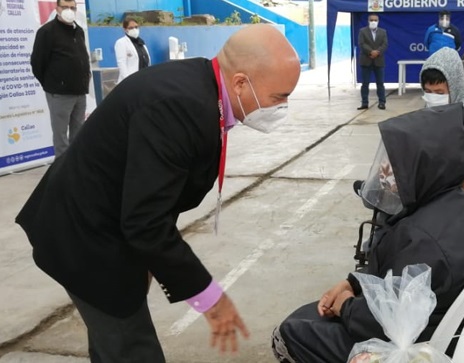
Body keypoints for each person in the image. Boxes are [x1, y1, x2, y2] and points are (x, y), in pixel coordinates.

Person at [16, 24, 301, 361]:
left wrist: (150, 258)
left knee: (115, 346)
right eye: (279, 96)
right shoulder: (181, 106)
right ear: (240, 82)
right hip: (83, 236)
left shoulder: (200, 85)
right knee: (132, 348)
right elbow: (145, 221)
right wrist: (207, 297)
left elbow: (158, 191)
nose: (282, 106)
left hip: (109, 222)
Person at [271, 103, 464, 363]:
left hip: (413, 345)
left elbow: (385, 321)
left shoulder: (420, 237)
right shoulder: (460, 203)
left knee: (290, 331)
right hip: (441, 327)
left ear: (423, 166)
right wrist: (353, 283)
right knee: (309, 316)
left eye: (395, 163)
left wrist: (345, 305)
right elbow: (399, 283)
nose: (384, 172)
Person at [30, 0, 90, 158]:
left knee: (78, 135)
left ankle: (76, 166)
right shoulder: (47, 31)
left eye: (72, 8)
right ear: (57, 8)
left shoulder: (79, 31)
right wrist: (52, 85)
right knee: (61, 137)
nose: (69, 10)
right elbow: (37, 63)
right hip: (59, 94)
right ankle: (61, 172)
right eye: (65, 7)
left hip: (80, 92)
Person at [420, 47, 464, 138]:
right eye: (428, 91)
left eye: (439, 93)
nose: (432, 97)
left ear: (454, 88)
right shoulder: (428, 108)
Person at [358, 13, 388, 110]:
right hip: (366, 60)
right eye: (371, 20)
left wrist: (377, 52)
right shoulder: (362, 31)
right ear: (368, 21)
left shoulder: (383, 32)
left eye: (375, 20)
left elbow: (385, 44)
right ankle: (364, 103)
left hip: (379, 61)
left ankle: (382, 102)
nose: (373, 22)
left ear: (378, 21)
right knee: (365, 84)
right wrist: (371, 52)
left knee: (380, 83)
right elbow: (361, 44)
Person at [114, 17, 150, 84]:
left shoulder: (141, 43)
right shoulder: (121, 43)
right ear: (125, 29)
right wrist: (128, 80)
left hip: (144, 80)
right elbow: (121, 64)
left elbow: (146, 61)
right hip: (131, 81)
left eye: (136, 27)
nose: (134, 29)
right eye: (131, 28)